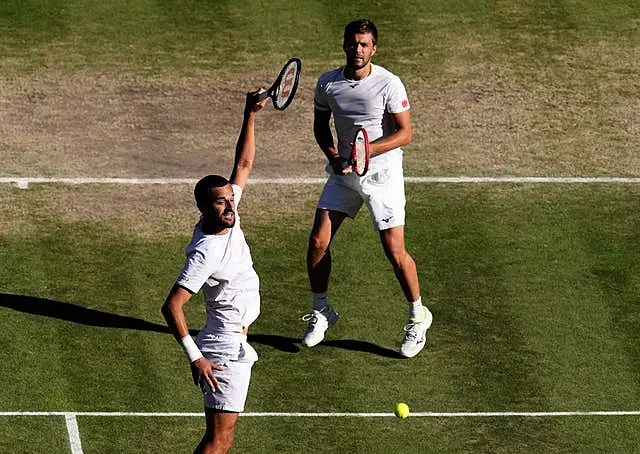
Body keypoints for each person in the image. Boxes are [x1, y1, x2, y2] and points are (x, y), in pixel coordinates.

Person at [301, 19, 433, 358]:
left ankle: (418, 316)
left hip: (383, 176)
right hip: (344, 173)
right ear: (344, 44)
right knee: (318, 242)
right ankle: (321, 311)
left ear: (374, 48)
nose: (358, 50)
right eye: (353, 43)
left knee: (394, 251)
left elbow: (405, 133)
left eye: (364, 44)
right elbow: (320, 127)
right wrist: (334, 155)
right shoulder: (328, 84)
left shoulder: (390, 83)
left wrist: (366, 151)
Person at [161, 89, 268, 454]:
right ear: (205, 208)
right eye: (221, 202)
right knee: (218, 440)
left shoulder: (228, 217)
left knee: (223, 438)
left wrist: (249, 114)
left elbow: (244, 164)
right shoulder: (205, 252)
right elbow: (171, 307)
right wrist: (197, 357)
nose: (230, 205)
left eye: (231, 199)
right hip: (222, 350)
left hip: (234, 342)